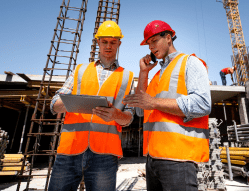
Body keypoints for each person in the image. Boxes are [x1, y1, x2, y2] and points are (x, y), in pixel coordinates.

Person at [123, 20, 211, 191]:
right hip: (152, 159)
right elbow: (141, 110)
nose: (151, 48)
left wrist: (154, 102)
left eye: (154, 41)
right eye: (148, 44)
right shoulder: (156, 75)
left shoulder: (190, 63)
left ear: (169, 37)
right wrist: (143, 73)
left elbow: (203, 103)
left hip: (179, 159)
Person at [48, 21, 134, 191]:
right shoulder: (79, 70)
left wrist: (117, 115)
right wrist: (69, 102)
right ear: (98, 42)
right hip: (70, 148)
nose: (108, 46)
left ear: (119, 44)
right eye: (104, 42)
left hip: (105, 153)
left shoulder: (127, 77)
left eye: (113, 42)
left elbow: (129, 118)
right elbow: (54, 105)